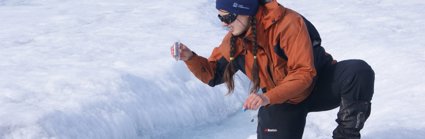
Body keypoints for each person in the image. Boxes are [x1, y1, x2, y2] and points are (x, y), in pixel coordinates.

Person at [171, 0, 375, 138]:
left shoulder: (288, 24)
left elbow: (304, 73)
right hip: (281, 100)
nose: (224, 24)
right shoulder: (235, 41)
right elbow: (213, 75)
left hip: (319, 85)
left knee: (357, 71)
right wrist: (190, 58)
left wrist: (266, 97)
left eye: (228, 17)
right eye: (220, 18)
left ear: (245, 9)